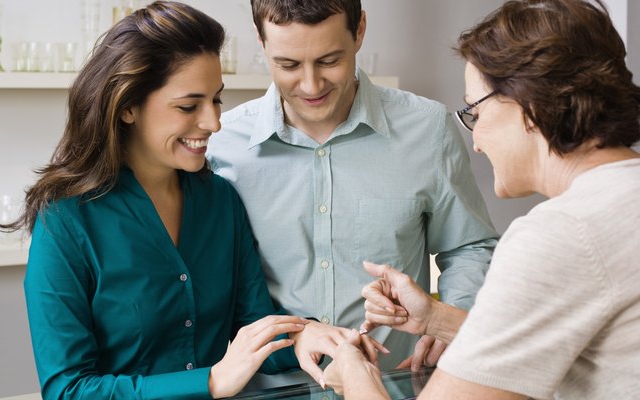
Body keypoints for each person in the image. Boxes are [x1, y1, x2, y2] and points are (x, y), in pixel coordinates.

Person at [0, 2, 383, 399]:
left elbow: (251, 328)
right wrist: (210, 381)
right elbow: (67, 389)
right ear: (128, 105)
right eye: (189, 106)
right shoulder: (65, 220)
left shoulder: (221, 200)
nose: (214, 122)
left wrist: (305, 337)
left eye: (216, 100)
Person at [323, 0, 640, 398]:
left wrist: (353, 372)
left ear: (529, 106)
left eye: (474, 111)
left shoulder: (562, 233)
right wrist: (436, 317)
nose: (475, 143)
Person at [206, 0, 499, 370]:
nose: (311, 85)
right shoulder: (221, 143)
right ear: (261, 41)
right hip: (268, 388)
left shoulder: (427, 129)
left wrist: (449, 322)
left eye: (329, 61)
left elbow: (469, 245)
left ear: (359, 30)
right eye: (289, 65)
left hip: (394, 384)